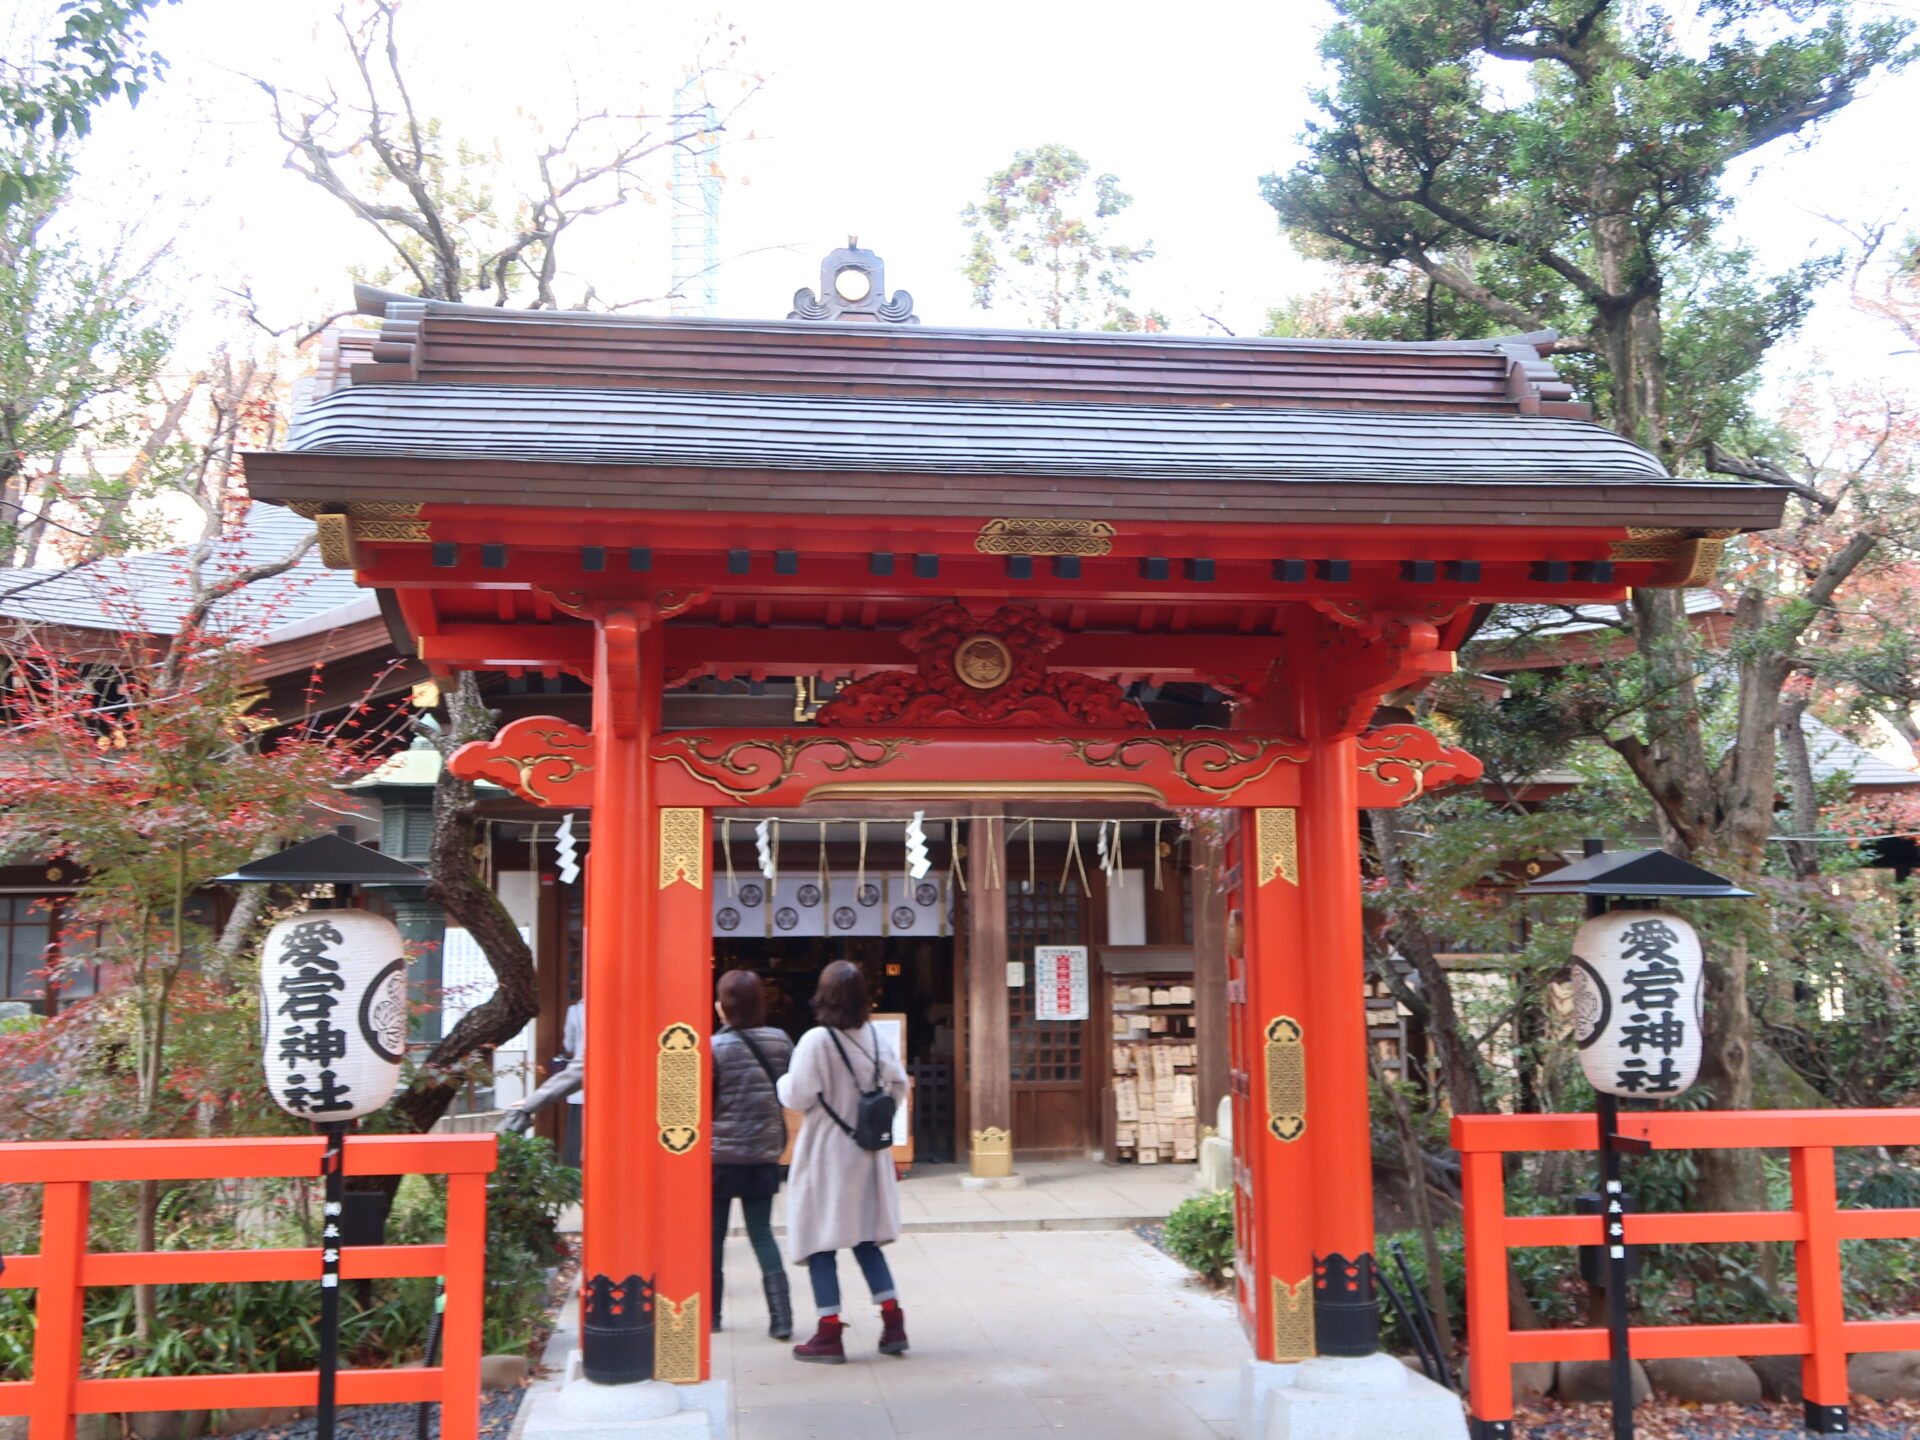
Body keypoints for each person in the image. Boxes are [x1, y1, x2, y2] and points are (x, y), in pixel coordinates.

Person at [776, 960, 911, 1363]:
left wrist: (782, 1081)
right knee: (867, 1240)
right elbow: (899, 1085)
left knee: (822, 1242)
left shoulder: (817, 1040)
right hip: (867, 1153)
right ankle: (893, 1322)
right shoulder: (871, 1036)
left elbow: (796, 1096)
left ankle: (829, 1332)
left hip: (827, 1153)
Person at [710, 969, 795, 1339]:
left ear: (722, 1006)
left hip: (719, 1158)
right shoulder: (780, 1041)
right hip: (762, 1152)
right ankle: (781, 1319)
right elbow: (790, 1089)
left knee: (712, 1238)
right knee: (762, 1234)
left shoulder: (712, 1048)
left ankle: (710, 1316)